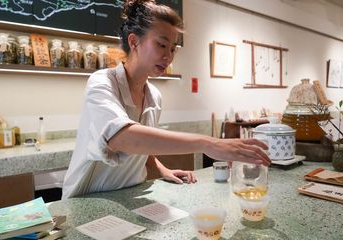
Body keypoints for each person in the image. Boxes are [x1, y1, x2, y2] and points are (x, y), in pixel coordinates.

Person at [62, 0, 270, 199]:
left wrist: (162, 170)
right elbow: (121, 138)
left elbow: (143, 149)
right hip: (88, 199)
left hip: (128, 196)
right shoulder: (102, 82)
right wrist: (208, 143)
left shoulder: (154, 96)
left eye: (172, 49)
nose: (168, 56)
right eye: (161, 45)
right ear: (134, 41)